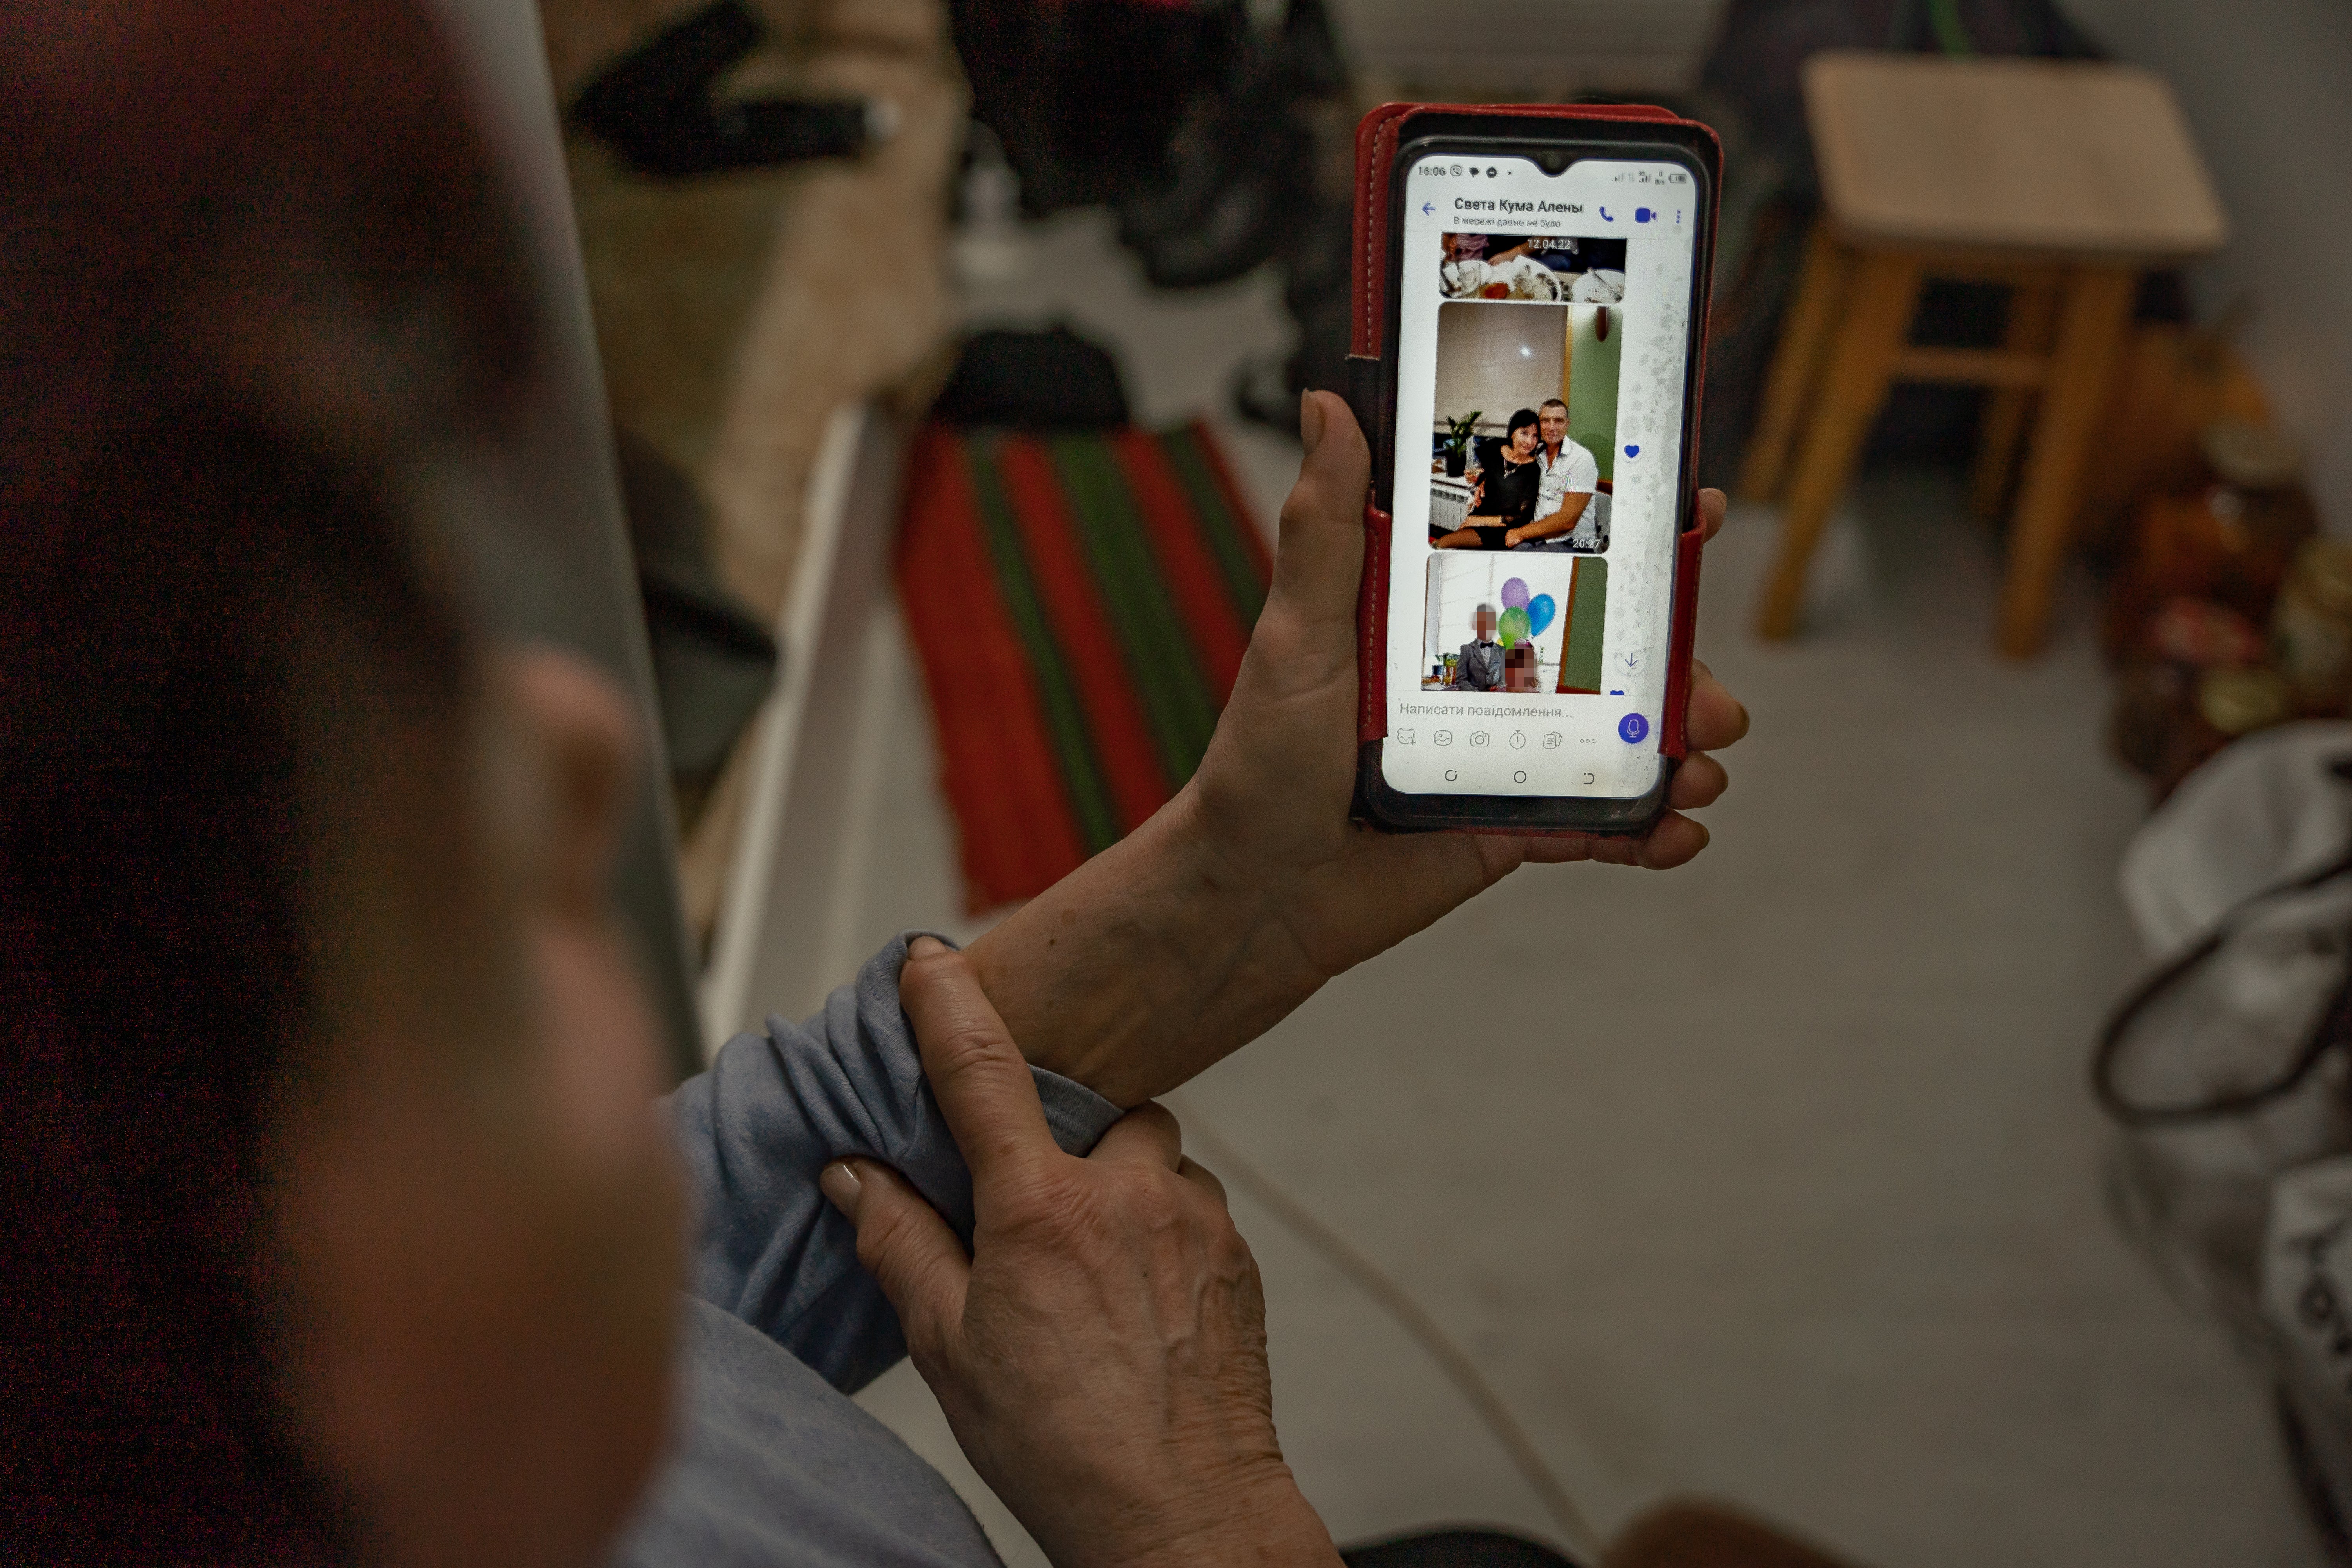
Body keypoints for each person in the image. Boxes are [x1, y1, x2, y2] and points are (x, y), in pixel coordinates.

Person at [2, 6, 1750, 1566]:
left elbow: (716, 1231)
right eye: (374, 872)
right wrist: (1196, 1518)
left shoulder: (335, 1336)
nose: (576, 734)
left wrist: (1241, 878)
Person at [1434, 409, 1543, 550]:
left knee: (1444, 544)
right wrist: (1477, 482)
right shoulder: (1494, 449)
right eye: (1524, 433)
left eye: (1535, 436)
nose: (1530, 441)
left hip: (1501, 529)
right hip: (1477, 518)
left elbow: (1523, 517)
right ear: (1512, 433)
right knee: (1444, 547)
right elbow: (1484, 477)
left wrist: (1479, 521)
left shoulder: (1533, 469)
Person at [1505, 399, 1601, 552]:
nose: (1551, 427)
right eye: (1545, 421)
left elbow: (1567, 522)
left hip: (1573, 541)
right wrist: (1483, 484)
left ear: (1567, 424)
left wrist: (1521, 533)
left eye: (1559, 421)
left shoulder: (1580, 459)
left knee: (1521, 560)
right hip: (1539, 535)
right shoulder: (1536, 455)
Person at [1448, 604, 1508, 692]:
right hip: (1473, 699)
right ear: (1474, 626)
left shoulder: (1501, 650)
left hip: (1496, 697)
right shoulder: (1466, 650)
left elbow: (1505, 675)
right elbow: (1461, 679)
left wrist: (1499, 686)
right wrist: (1475, 694)